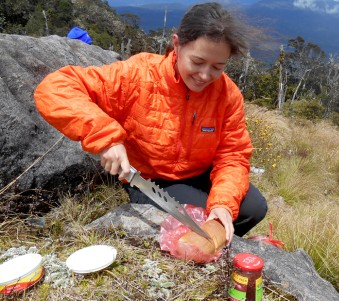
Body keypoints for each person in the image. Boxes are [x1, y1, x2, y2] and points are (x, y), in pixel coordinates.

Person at [34, 2, 267, 244]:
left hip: (200, 172)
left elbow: (233, 154)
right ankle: (204, 244)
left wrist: (223, 205)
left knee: (253, 208)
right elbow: (56, 87)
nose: (205, 76)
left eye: (218, 67)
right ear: (176, 44)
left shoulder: (226, 94)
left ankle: (211, 242)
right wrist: (105, 138)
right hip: (150, 179)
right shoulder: (139, 75)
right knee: (199, 217)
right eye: (197, 62)